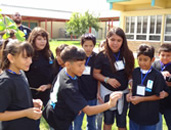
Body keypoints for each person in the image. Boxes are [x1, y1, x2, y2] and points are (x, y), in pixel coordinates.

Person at [43, 45, 123, 130]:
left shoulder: (65, 71)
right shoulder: (68, 87)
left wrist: (74, 105)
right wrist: (109, 104)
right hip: (59, 120)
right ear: (68, 64)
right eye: (80, 65)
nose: (83, 68)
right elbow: (88, 111)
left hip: (59, 111)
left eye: (84, 64)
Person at [93, 27, 134, 130]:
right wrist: (107, 80)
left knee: (122, 122)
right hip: (107, 93)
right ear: (107, 39)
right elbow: (95, 74)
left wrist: (130, 81)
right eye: (112, 40)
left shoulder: (128, 54)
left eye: (119, 40)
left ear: (123, 41)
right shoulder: (101, 55)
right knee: (108, 121)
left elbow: (129, 73)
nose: (115, 43)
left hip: (123, 93)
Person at [0, 40, 42, 130]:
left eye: (31, 57)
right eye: (25, 58)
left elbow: (15, 100)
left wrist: (31, 102)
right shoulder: (6, 82)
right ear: (11, 58)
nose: (30, 61)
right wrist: (26, 113)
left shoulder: (21, 73)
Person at [126, 44, 169, 130]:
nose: (142, 62)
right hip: (135, 115)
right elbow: (133, 88)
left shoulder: (157, 75)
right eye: (140, 59)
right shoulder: (135, 72)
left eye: (145, 60)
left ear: (152, 60)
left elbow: (158, 96)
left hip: (149, 117)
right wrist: (129, 94)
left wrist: (140, 99)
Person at [73, 33, 98, 130]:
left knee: (92, 122)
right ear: (81, 45)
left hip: (92, 94)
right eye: (85, 46)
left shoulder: (97, 57)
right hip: (79, 95)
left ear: (94, 45)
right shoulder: (77, 57)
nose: (88, 48)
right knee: (77, 122)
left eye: (91, 46)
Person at [25, 27, 55, 106]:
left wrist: (48, 85)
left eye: (44, 39)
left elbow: (53, 71)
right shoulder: (28, 54)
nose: (43, 42)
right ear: (33, 39)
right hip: (31, 92)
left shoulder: (49, 53)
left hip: (47, 91)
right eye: (39, 39)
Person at [152, 43, 171, 130]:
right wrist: (160, 75)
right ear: (158, 55)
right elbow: (148, 76)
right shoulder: (154, 65)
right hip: (157, 101)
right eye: (162, 55)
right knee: (156, 125)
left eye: (168, 55)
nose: (165, 58)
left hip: (169, 102)